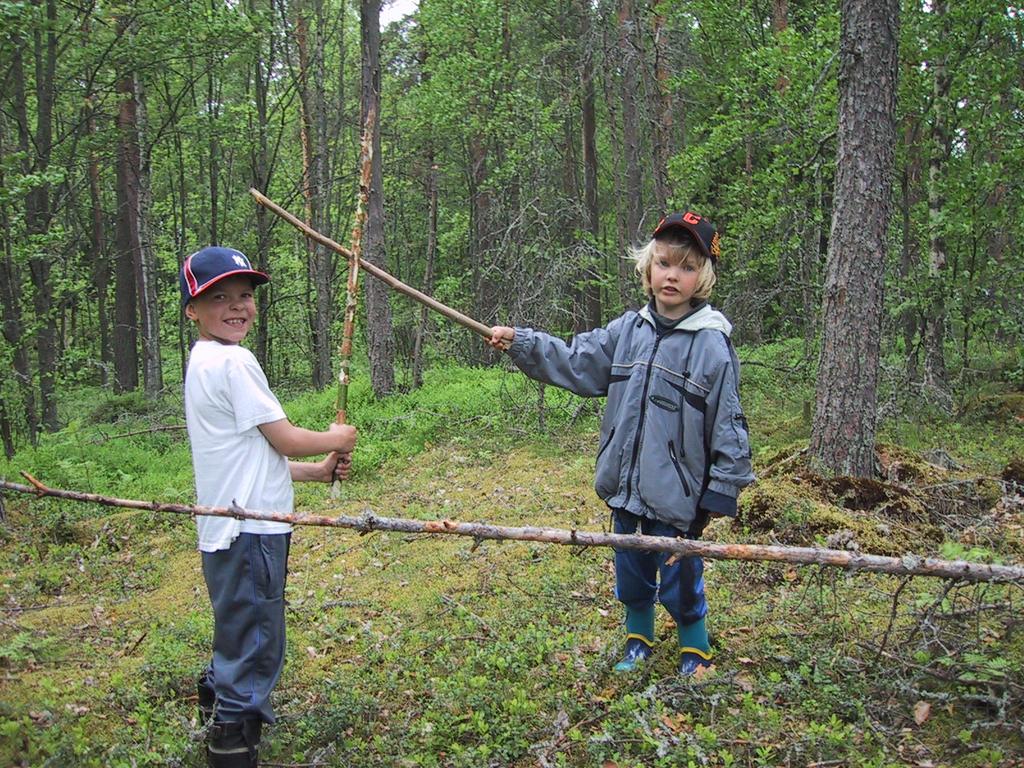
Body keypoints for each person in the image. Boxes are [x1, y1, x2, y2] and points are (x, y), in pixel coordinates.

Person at [488, 211, 753, 676]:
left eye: (687, 267)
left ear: (703, 278)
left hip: (678, 498)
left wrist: (721, 491)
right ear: (648, 268)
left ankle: (695, 644)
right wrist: (522, 343)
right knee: (631, 571)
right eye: (664, 263)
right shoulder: (627, 331)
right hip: (624, 486)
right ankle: (638, 640)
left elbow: (728, 423)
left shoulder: (711, 346)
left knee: (680, 575)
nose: (673, 275)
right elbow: (575, 360)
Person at [180, 246, 357, 767]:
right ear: (193, 308)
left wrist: (318, 470)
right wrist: (335, 437)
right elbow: (281, 439)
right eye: (219, 298)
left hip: (229, 527)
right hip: (249, 532)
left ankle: (216, 703)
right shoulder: (233, 361)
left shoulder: (203, 360)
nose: (237, 307)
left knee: (239, 625)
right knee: (258, 640)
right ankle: (231, 739)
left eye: (245, 296)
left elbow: (255, 456)